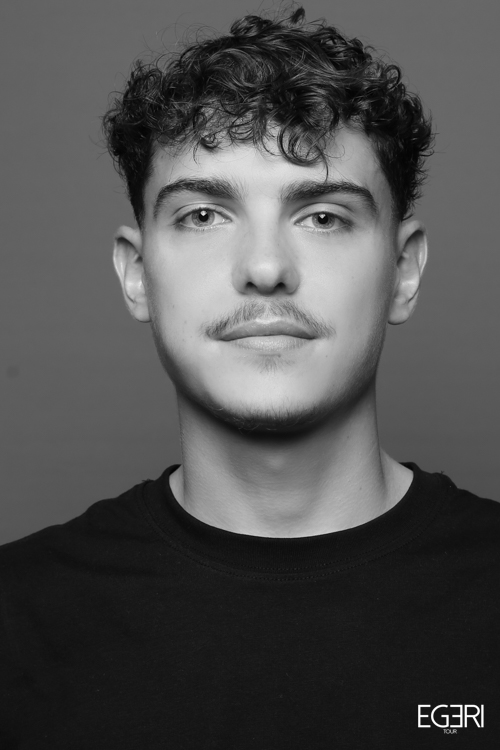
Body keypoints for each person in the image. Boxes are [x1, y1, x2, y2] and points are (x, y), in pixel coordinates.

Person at [1, 7, 499, 748]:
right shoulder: (17, 620)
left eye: (323, 217)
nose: (265, 268)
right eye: (204, 215)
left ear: (403, 271)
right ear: (137, 274)